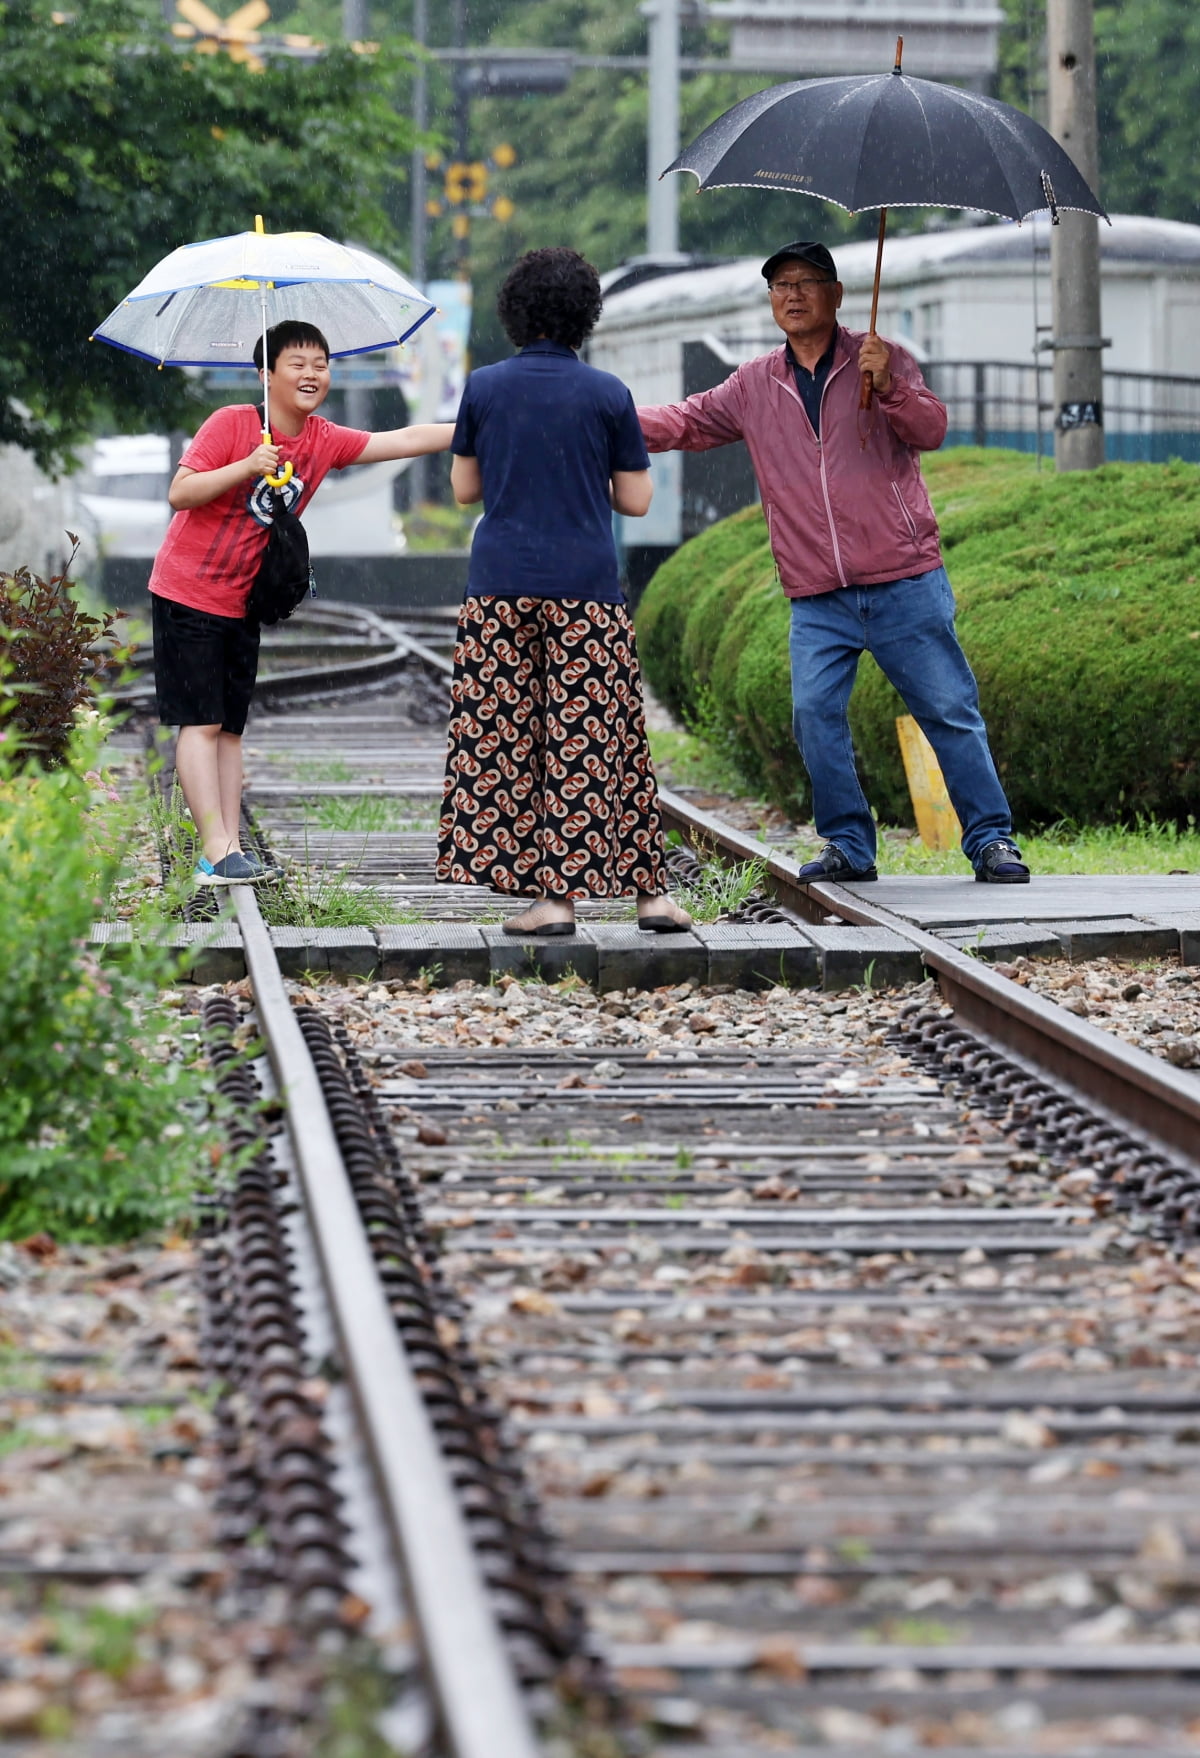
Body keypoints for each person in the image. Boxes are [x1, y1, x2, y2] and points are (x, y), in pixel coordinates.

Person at [637, 240, 1030, 886]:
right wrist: (600, 417)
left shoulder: (883, 359)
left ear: (837, 294)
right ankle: (849, 844)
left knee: (950, 713)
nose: (792, 295)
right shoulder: (753, 384)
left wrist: (893, 385)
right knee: (814, 715)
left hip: (905, 578)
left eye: (806, 282)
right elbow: (685, 422)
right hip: (818, 594)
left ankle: (992, 841)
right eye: (779, 285)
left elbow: (932, 429)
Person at [436, 247, 691, 936]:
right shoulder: (608, 393)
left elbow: (464, 490)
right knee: (602, 739)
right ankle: (650, 897)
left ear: (515, 313)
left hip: (500, 586)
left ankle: (551, 903)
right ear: (586, 316)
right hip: (585, 586)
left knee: (512, 740)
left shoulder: (485, 387)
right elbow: (635, 500)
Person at [150, 319, 454, 885]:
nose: (312, 373)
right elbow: (181, 492)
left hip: (244, 601)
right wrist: (245, 466)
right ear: (266, 375)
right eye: (297, 363)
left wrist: (476, 426)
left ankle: (230, 847)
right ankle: (215, 851)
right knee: (202, 723)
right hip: (188, 592)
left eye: (321, 364)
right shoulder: (232, 424)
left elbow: (402, 440)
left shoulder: (321, 439)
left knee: (232, 730)